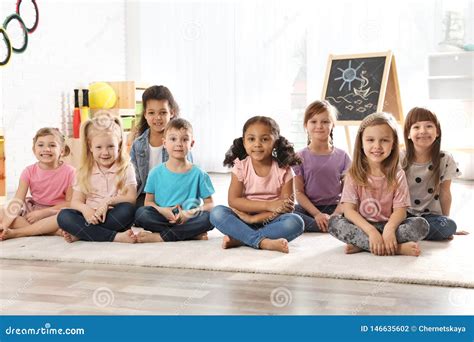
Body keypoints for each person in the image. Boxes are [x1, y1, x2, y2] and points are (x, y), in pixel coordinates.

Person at [328, 112, 429, 256]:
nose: (377, 146)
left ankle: (364, 245)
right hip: (363, 227)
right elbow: (349, 211)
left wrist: (389, 229)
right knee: (334, 223)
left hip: (391, 226)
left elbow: (400, 211)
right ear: (361, 143)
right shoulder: (353, 174)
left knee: (421, 225)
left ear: (393, 144)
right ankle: (396, 248)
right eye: (370, 140)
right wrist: (371, 231)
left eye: (384, 140)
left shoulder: (398, 174)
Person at [210, 116, 304, 253]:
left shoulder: (284, 169)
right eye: (251, 139)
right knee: (216, 212)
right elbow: (233, 200)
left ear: (276, 143)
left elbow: (286, 207)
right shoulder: (241, 166)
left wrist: (254, 218)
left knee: (295, 222)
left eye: (265, 139)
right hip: (241, 219)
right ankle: (262, 242)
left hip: (271, 220)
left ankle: (241, 238)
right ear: (244, 142)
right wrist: (267, 205)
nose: (257, 144)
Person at [57, 113, 137, 243]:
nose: (105, 152)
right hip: (89, 216)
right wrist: (86, 210)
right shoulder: (84, 171)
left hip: (112, 215)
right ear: (90, 147)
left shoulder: (126, 168)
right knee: (63, 216)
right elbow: (75, 202)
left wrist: (107, 202)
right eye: (99, 147)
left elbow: (131, 198)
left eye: (111, 146)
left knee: (128, 210)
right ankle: (115, 237)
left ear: (119, 144)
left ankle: (83, 233)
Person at [134, 118, 214, 242]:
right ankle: (189, 233)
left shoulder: (199, 174)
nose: (179, 144)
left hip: (188, 217)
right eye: (173, 139)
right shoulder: (155, 173)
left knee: (211, 217)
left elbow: (210, 205)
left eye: (185, 139)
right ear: (164, 143)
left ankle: (161, 237)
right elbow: (148, 203)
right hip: (163, 216)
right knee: (141, 214)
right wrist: (164, 211)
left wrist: (188, 214)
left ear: (191, 144)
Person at [401, 107, 465, 240]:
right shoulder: (399, 157)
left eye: (429, 126)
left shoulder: (445, 159)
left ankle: (407, 233)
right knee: (389, 222)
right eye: (416, 127)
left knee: (449, 226)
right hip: (403, 214)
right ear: (408, 133)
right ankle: (407, 231)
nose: (423, 131)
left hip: (430, 216)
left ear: (437, 132)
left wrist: (445, 219)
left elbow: (445, 193)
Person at [1, 128, 75, 240]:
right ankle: (53, 231)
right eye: (40, 145)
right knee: (3, 212)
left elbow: (70, 203)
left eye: (52, 145)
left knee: (67, 218)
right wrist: (4, 226)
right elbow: (18, 200)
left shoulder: (70, 172)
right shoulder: (28, 171)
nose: (46, 149)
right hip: (33, 212)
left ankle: (26, 231)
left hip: (56, 212)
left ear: (62, 151)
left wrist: (43, 213)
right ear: (34, 150)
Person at [293, 100, 351, 232]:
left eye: (325, 122)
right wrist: (317, 214)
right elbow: (299, 193)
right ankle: (328, 226)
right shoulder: (298, 157)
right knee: (288, 212)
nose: (319, 126)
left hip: (336, 208)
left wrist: (336, 215)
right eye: (313, 121)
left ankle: (329, 223)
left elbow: (348, 193)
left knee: (357, 211)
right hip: (309, 209)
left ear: (333, 125)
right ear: (305, 125)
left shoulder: (343, 156)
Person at [130, 85, 192, 207]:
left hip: (175, 195)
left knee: (201, 216)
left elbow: (187, 176)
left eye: (163, 112)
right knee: (141, 214)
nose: (157, 118)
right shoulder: (138, 145)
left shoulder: (180, 142)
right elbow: (134, 180)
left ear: (172, 113)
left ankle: (168, 220)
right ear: (145, 114)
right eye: (151, 113)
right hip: (147, 197)